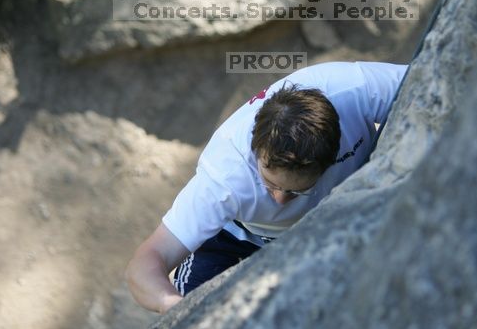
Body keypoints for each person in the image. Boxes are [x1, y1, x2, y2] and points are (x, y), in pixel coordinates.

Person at [126, 61, 408, 313]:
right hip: (233, 237)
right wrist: (176, 310)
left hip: (328, 220)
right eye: (270, 183)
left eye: (296, 191)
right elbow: (148, 261)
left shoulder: (352, 89)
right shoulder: (225, 177)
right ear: (256, 150)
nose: (280, 200)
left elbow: (436, 76)